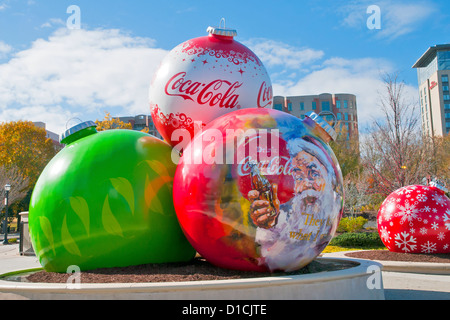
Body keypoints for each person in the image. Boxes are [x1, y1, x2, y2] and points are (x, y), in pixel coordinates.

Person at [248, 138, 343, 271]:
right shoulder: (286, 212)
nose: (304, 185)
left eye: (314, 174)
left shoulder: (333, 209)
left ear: (331, 179)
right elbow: (266, 254)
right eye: (299, 178)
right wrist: (269, 225)